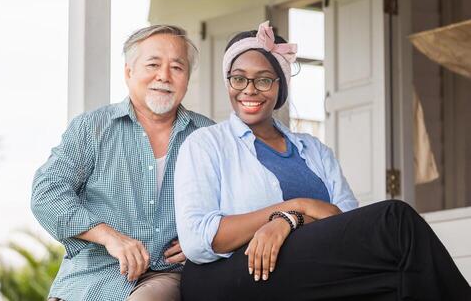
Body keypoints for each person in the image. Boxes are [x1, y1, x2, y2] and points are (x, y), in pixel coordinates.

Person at [174, 21, 471, 300]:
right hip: (233, 272)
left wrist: (289, 222)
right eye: (238, 78)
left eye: (264, 80)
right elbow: (200, 239)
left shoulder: (314, 150)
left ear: (280, 88)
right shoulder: (206, 144)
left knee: (401, 277)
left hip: (300, 268)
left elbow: (345, 224)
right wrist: (294, 207)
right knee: (394, 221)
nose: (249, 89)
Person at [31, 25, 213, 301]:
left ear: (187, 78)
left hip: (166, 275)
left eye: (177, 67)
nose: (164, 76)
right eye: (153, 64)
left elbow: (238, 203)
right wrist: (108, 236)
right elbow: (46, 194)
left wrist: (205, 241)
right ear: (129, 72)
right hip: (91, 275)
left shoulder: (207, 136)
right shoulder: (92, 128)